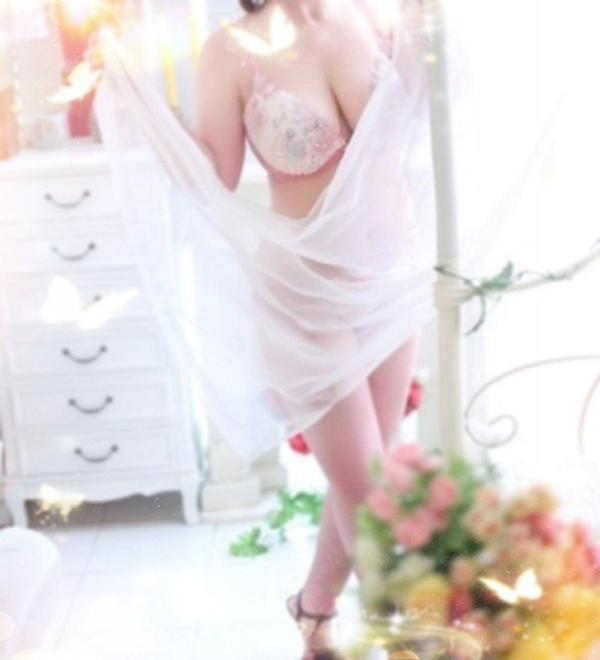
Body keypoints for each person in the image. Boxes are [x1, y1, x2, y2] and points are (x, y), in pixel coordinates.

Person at [193, 2, 421, 658]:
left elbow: (439, 102)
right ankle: (407, 638)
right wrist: (150, 122)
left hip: (389, 281)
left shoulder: (370, 17)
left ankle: (314, 611)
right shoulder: (230, 51)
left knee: (362, 477)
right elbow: (217, 177)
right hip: (304, 299)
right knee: (369, 491)